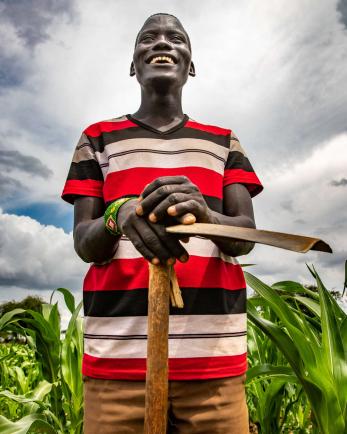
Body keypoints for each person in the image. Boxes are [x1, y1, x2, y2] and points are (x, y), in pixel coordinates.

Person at [62, 12, 263, 434]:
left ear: (191, 65)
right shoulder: (97, 138)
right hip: (118, 360)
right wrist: (120, 214)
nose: (162, 42)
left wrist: (207, 217)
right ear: (133, 64)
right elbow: (84, 242)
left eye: (176, 37)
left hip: (213, 362)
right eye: (147, 37)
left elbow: (244, 236)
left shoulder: (224, 141)